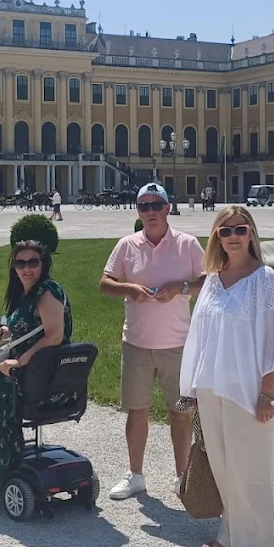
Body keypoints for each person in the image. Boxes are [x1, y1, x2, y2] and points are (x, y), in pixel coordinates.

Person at [178, 205, 274, 547]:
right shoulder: (213, 279)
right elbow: (201, 336)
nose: (232, 237)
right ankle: (230, 537)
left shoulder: (265, 279)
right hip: (213, 388)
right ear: (216, 237)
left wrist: (267, 394)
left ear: (251, 234)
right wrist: (193, 389)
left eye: (239, 229)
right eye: (225, 231)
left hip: (249, 392)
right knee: (225, 468)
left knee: (252, 473)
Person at [100, 182, 205, 500]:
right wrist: (129, 289)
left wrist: (181, 288)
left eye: (155, 205)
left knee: (180, 413)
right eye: (143, 206)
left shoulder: (187, 244)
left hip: (177, 344)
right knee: (137, 411)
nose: (150, 212)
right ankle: (135, 475)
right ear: (138, 212)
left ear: (167, 208)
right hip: (137, 343)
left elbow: (208, 280)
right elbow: (105, 283)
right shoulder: (127, 245)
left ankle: (183, 476)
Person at [0, 239, 71, 482]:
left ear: (43, 264)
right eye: (20, 263)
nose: (26, 269)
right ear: (14, 267)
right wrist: (8, 331)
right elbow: (33, 328)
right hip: (34, 371)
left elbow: (55, 335)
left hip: (38, 374)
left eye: (32, 262)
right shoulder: (30, 294)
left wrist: (20, 361)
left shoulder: (47, 292)